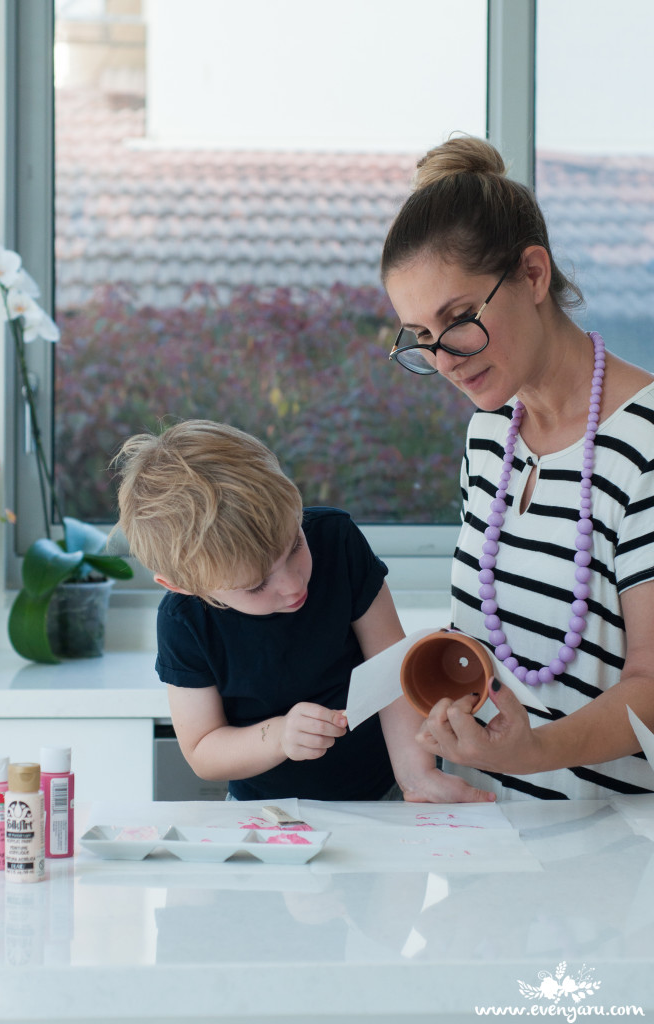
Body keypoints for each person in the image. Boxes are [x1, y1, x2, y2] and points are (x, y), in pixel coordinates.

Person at [381, 134, 654, 801]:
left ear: (534, 275)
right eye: (422, 338)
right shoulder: (490, 434)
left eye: (459, 317)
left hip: (608, 861)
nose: (444, 357)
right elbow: (497, 627)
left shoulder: (645, 442)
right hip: (490, 835)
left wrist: (535, 752)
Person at [112, 419, 492, 803]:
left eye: (295, 544)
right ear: (184, 586)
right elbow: (203, 751)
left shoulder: (336, 539)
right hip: (264, 815)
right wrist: (278, 736)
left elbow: (393, 673)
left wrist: (417, 776)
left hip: (385, 791)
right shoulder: (183, 622)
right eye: (257, 585)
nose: (293, 585)